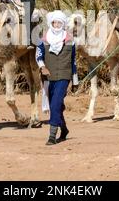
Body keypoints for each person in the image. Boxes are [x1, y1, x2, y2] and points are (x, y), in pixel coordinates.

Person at [36, 10, 79, 145]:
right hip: (49, 76)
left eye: (60, 22)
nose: (57, 24)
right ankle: (64, 129)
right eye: (55, 22)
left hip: (64, 76)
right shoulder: (44, 39)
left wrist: (75, 80)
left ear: (63, 24)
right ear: (51, 23)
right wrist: (42, 67)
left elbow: (73, 61)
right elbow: (39, 56)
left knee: (55, 104)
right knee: (57, 106)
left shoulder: (70, 40)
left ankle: (52, 136)